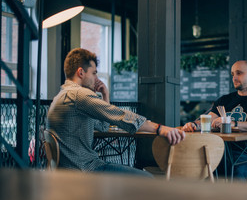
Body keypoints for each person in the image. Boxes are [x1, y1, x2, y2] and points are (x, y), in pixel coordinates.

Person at [47, 48, 185, 177]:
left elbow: (103, 127)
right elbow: (119, 115)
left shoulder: (62, 95)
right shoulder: (79, 95)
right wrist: (160, 128)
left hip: (69, 170)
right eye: (94, 73)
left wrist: (105, 95)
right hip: (86, 169)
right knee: (147, 179)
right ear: (81, 72)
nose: (96, 78)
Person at [182, 60, 247, 181]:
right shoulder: (224, 100)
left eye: (239, 73)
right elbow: (208, 120)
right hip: (219, 150)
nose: (234, 78)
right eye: (232, 74)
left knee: (234, 169)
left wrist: (234, 124)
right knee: (197, 164)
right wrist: (194, 125)